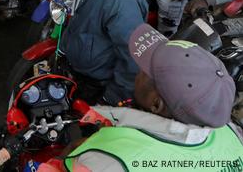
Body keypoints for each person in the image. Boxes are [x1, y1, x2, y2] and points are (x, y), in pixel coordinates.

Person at [57, 24, 243, 171]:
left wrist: (63, 160)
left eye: (146, 71)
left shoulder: (109, 161)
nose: (139, 70)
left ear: (156, 104)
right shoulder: (231, 133)